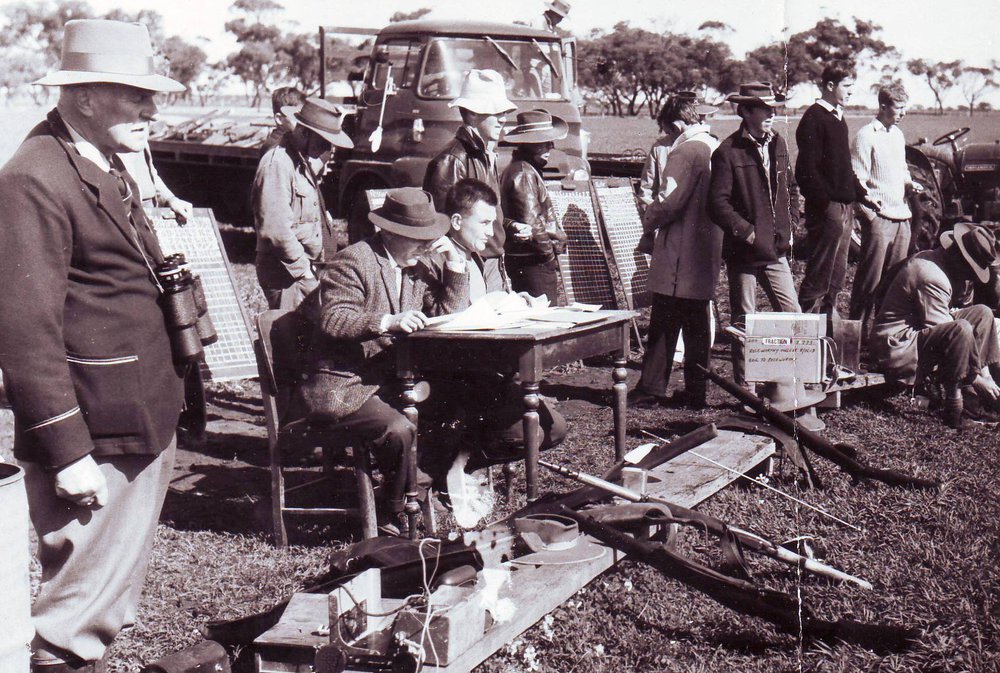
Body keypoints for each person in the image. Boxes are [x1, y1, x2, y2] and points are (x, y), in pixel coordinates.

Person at [0, 19, 188, 673]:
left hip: (137, 412)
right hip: (95, 428)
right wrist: (68, 450)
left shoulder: (99, 162)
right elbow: (24, 332)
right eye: (135, 92)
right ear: (83, 96)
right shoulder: (35, 178)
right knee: (74, 614)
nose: (151, 106)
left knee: (101, 599)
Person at [299, 187, 470, 520]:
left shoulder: (416, 266)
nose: (425, 245)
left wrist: (455, 264)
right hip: (342, 384)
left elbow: (449, 313)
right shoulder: (354, 260)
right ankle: (396, 514)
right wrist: (388, 321)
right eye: (417, 237)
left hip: (389, 378)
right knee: (399, 429)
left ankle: (416, 492)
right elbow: (334, 319)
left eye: (428, 237)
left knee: (452, 413)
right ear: (389, 233)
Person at [629, 94, 721, 408]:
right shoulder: (714, 146)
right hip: (706, 245)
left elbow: (668, 202)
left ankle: (651, 387)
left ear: (678, 123)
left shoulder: (685, 151)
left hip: (679, 249)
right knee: (697, 320)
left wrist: (648, 223)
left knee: (665, 318)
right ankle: (696, 390)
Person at [708, 82, 802, 385]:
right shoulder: (727, 152)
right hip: (744, 253)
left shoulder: (779, 145)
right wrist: (747, 233)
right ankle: (746, 390)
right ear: (745, 111)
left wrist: (791, 223)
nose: (771, 114)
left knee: (792, 314)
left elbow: (791, 187)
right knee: (744, 322)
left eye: (773, 108)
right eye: (764, 108)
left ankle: (791, 384)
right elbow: (717, 203)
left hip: (775, 251)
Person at [870, 223, 1000, 429]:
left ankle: (971, 397)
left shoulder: (943, 263)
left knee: (982, 313)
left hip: (918, 332)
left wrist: (986, 374)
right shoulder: (932, 275)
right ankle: (954, 410)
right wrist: (978, 379)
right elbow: (952, 334)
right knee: (961, 330)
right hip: (897, 345)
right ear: (960, 258)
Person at [252, 97, 352, 310]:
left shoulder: (302, 161)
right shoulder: (277, 165)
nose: (328, 148)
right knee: (291, 337)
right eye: (323, 141)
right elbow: (275, 230)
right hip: (287, 273)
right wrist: (303, 271)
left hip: (303, 269)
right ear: (304, 133)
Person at [795, 61, 878, 317]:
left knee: (836, 276)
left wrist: (863, 196)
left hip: (845, 207)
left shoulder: (838, 118)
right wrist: (828, 206)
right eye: (847, 85)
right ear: (830, 86)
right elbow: (806, 172)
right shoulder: (814, 119)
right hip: (828, 210)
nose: (852, 90)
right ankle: (806, 328)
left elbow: (843, 169)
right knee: (820, 273)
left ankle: (829, 328)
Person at [424, 69, 516, 285]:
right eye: (497, 112)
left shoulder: (484, 154)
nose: (503, 119)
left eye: (504, 113)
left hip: (492, 261)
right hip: (470, 265)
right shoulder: (451, 160)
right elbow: (442, 225)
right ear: (472, 114)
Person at [849, 83, 923, 330]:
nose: (903, 113)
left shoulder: (897, 135)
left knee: (894, 285)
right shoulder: (866, 136)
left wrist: (910, 185)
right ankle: (854, 340)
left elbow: (901, 170)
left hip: (902, 218)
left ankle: (882, 339)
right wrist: (869, 217)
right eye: (898, 108)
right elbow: (857, 179)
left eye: (905, 108)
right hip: (880, 219)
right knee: (869, 283)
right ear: (883, 106)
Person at [499, 109, 569, 303]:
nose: (550, 146)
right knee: (544, 315)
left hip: (528, 259)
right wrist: (548, 256)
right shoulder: (524, 173)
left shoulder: (524, 169)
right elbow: (532, 223)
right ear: (529, 144)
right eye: (543, 142)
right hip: (533, 261)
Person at [118, 144, 193, 221]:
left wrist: (170, 199)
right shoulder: (112, 145)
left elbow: (149, 174)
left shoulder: (138, 138)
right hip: (129, 215)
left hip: (149, 211)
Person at [259, 86, 305, 157]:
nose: (302, 122)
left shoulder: (288, 140)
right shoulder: (275, 150)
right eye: (297, 116)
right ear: (279, 119)